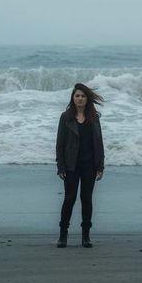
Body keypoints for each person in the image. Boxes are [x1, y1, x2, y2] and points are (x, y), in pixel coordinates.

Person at [55, 83, 105, 248]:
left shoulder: (94, 117)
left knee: (86, 199)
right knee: (69, 199)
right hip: (71, 165)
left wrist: (100, 166)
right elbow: (60, 144)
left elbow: (99, 142)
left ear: (87, 98)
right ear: (73, 98)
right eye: (77, 96)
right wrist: (60, 167)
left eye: (83, 96)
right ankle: (63, 235)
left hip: (89, 165)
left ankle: (86, 236)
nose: (80, 99)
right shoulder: (65, 117)